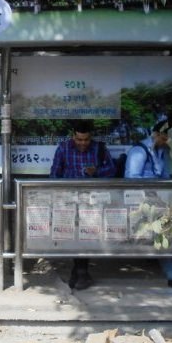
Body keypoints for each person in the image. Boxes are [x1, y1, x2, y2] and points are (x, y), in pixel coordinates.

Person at [125, 119, 172, 294]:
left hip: (157, 203)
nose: (168, 143)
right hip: (141, 204)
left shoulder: (160, 151)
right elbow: (132, 179)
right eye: (165, 138)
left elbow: (163, 176)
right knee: (161, 235)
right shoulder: (139, 152)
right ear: (156, 135)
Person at [50, 120, 115, 290]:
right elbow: (54, 174)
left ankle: (80, 271)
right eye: (79, 140)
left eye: (86, 140)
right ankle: (80, 271)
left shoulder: (99, 148)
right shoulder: (63, 148)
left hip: (92, 201)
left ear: (90, 138)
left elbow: (112, 170)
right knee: (74, 235)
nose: (83, 143)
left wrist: (97, 172)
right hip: (69, 200)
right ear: (73, 136)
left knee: (87, 234)